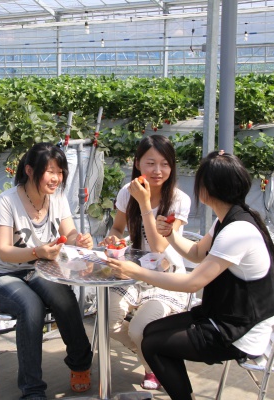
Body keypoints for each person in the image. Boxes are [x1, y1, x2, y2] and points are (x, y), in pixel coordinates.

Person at [106, 150, 274, 400]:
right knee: (150, 332)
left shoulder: (237, 231)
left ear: (207, 189)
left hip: (239, 330)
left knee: (152, 343)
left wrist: (135, 270)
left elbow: (191, 283)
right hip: (222, 314)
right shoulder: (227, 220)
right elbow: (197, 252)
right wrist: (171, 234)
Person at [0, 142, 94, 400]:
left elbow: (69, 233)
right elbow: (4, 251)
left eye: (60, 171)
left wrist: (79, 240)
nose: (56, 178)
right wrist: (38, 252)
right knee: (30, 306)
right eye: (50, 171)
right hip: (3, 277)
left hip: (38, 271)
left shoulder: (57, 199)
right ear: (30, 170)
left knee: (62, 296)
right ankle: (32, 390)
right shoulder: (7, 201)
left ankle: (80, 364)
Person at [99, 134, 190, 390]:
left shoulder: (179, 200)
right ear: (138, 163)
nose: (158, 171)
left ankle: (154, 363)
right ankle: (154, 360)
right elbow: (117, 229)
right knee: (107, 320)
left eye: (165, 164)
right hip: (132, 272)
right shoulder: (127, 193)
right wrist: (113, 241)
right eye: (150, 163)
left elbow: (160, 246)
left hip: (166, 276)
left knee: (140, 330)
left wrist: (145, 203)